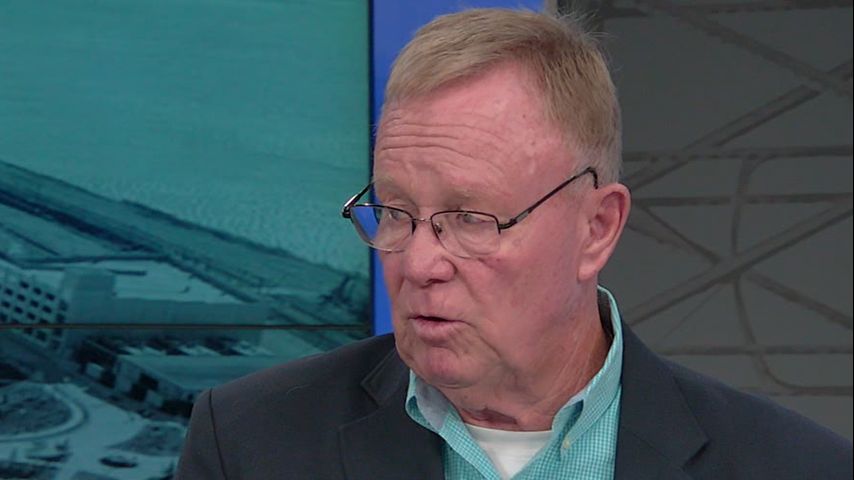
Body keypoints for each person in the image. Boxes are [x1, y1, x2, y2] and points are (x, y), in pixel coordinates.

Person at [175, 8, 851, 480]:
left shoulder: (796, 468)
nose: (419, 263)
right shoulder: (248, 443)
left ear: (597, 228)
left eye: (471, 218)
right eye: (396, 212)